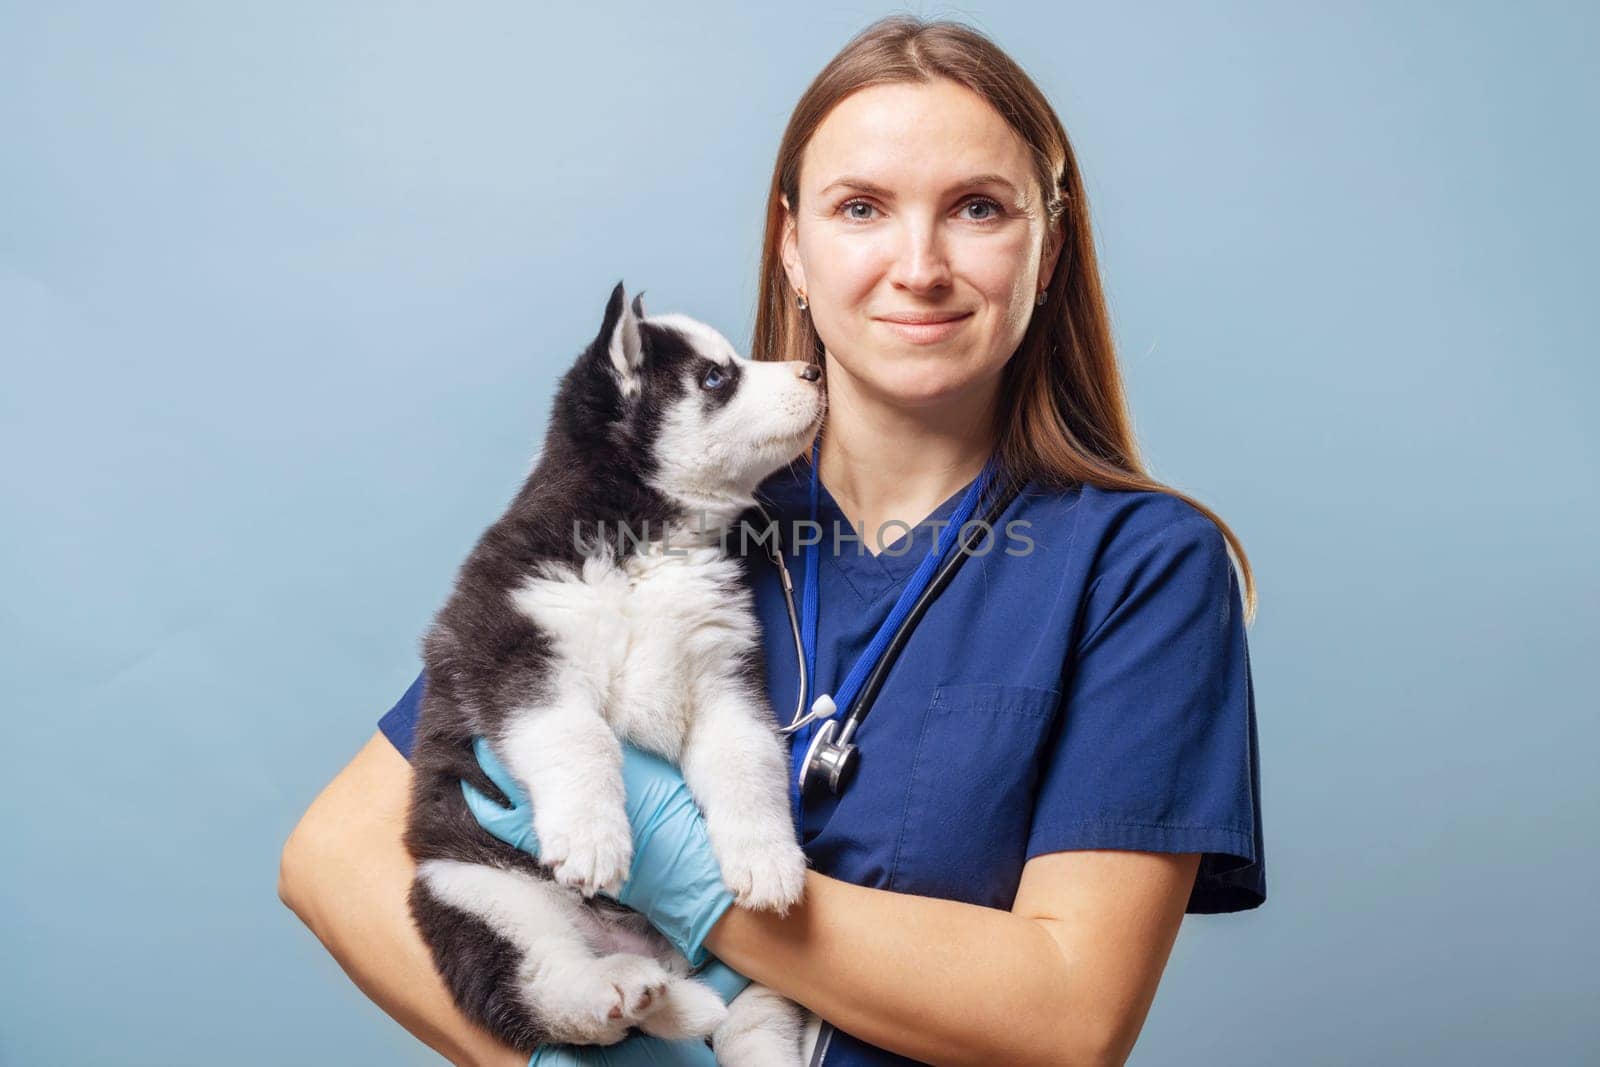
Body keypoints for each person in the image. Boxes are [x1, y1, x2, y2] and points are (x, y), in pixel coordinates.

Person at [278, 15, 1265, 1067]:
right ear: (793, 245)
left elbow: (1068, 1015)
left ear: (1048, 248)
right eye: (861, 208)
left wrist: (682, 870)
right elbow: (334, 855)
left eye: (978, 208)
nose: (918, 265)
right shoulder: (666, 513)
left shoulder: (1141, 567)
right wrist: (552, 1056)